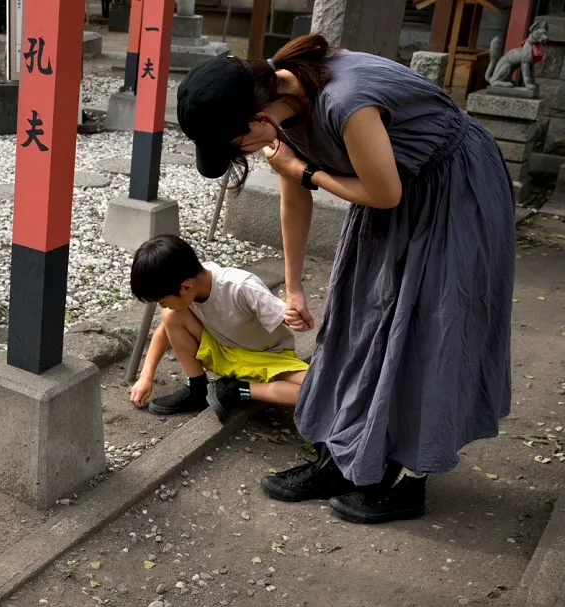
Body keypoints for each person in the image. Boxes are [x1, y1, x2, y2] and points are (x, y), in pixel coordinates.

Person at [174, 35, 514, 525]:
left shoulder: (346, 100)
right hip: (391, 193)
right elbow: (294, 196)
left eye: (236, 144)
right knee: (359, 323)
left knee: (431, 331)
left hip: (453, 193)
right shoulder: (278, 104)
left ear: (258, 116)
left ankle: (409, 483)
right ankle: (345, 458)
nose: (244, 151)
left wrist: (306, 171)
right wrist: (293, 287)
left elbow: (382, 192)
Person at [128, 234, 309, 421]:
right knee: (171, 316)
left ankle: (239, 390)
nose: (162, 306)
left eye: (163, 301)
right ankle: (197, 389)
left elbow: (286, 315)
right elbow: (163, 331)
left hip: (267, 358)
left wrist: (297, 317)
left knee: (314, 391)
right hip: (223, 351)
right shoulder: (187, 283)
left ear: (186, 287)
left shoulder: (241, 288)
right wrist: (146, 377)